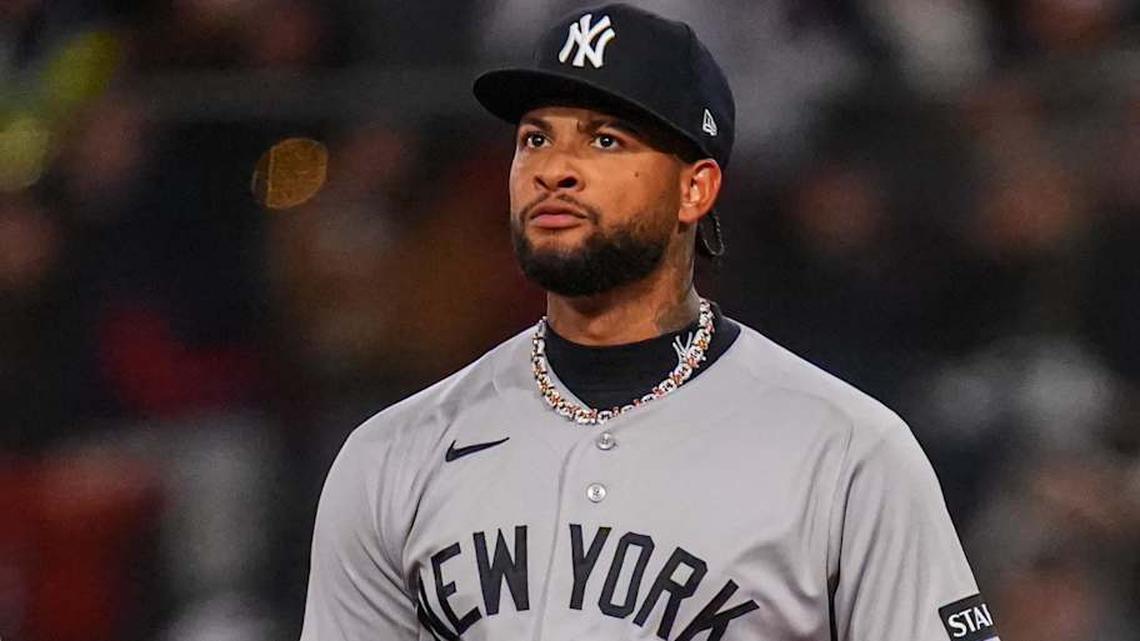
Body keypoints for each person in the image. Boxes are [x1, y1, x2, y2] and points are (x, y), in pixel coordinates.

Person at [300, 4, 999, 640]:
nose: (555, 170)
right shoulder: (393, 455)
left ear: (695, 188)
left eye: (605, 141)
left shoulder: (847, 451)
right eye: (536, 139)